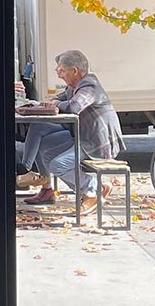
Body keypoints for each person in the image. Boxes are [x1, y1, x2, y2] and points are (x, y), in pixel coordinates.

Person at [15, 50, 124, 206]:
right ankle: (33, 177)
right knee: (39, 131)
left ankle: (95, 188)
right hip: (81, 136)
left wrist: (56, 104)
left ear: (75, 71)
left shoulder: (89, 85)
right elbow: (60, 97)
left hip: (97, 142)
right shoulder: (73, 86)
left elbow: (74, 107)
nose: (59, 75)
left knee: (58, 165)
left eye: (62, 71)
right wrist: (54, 101)